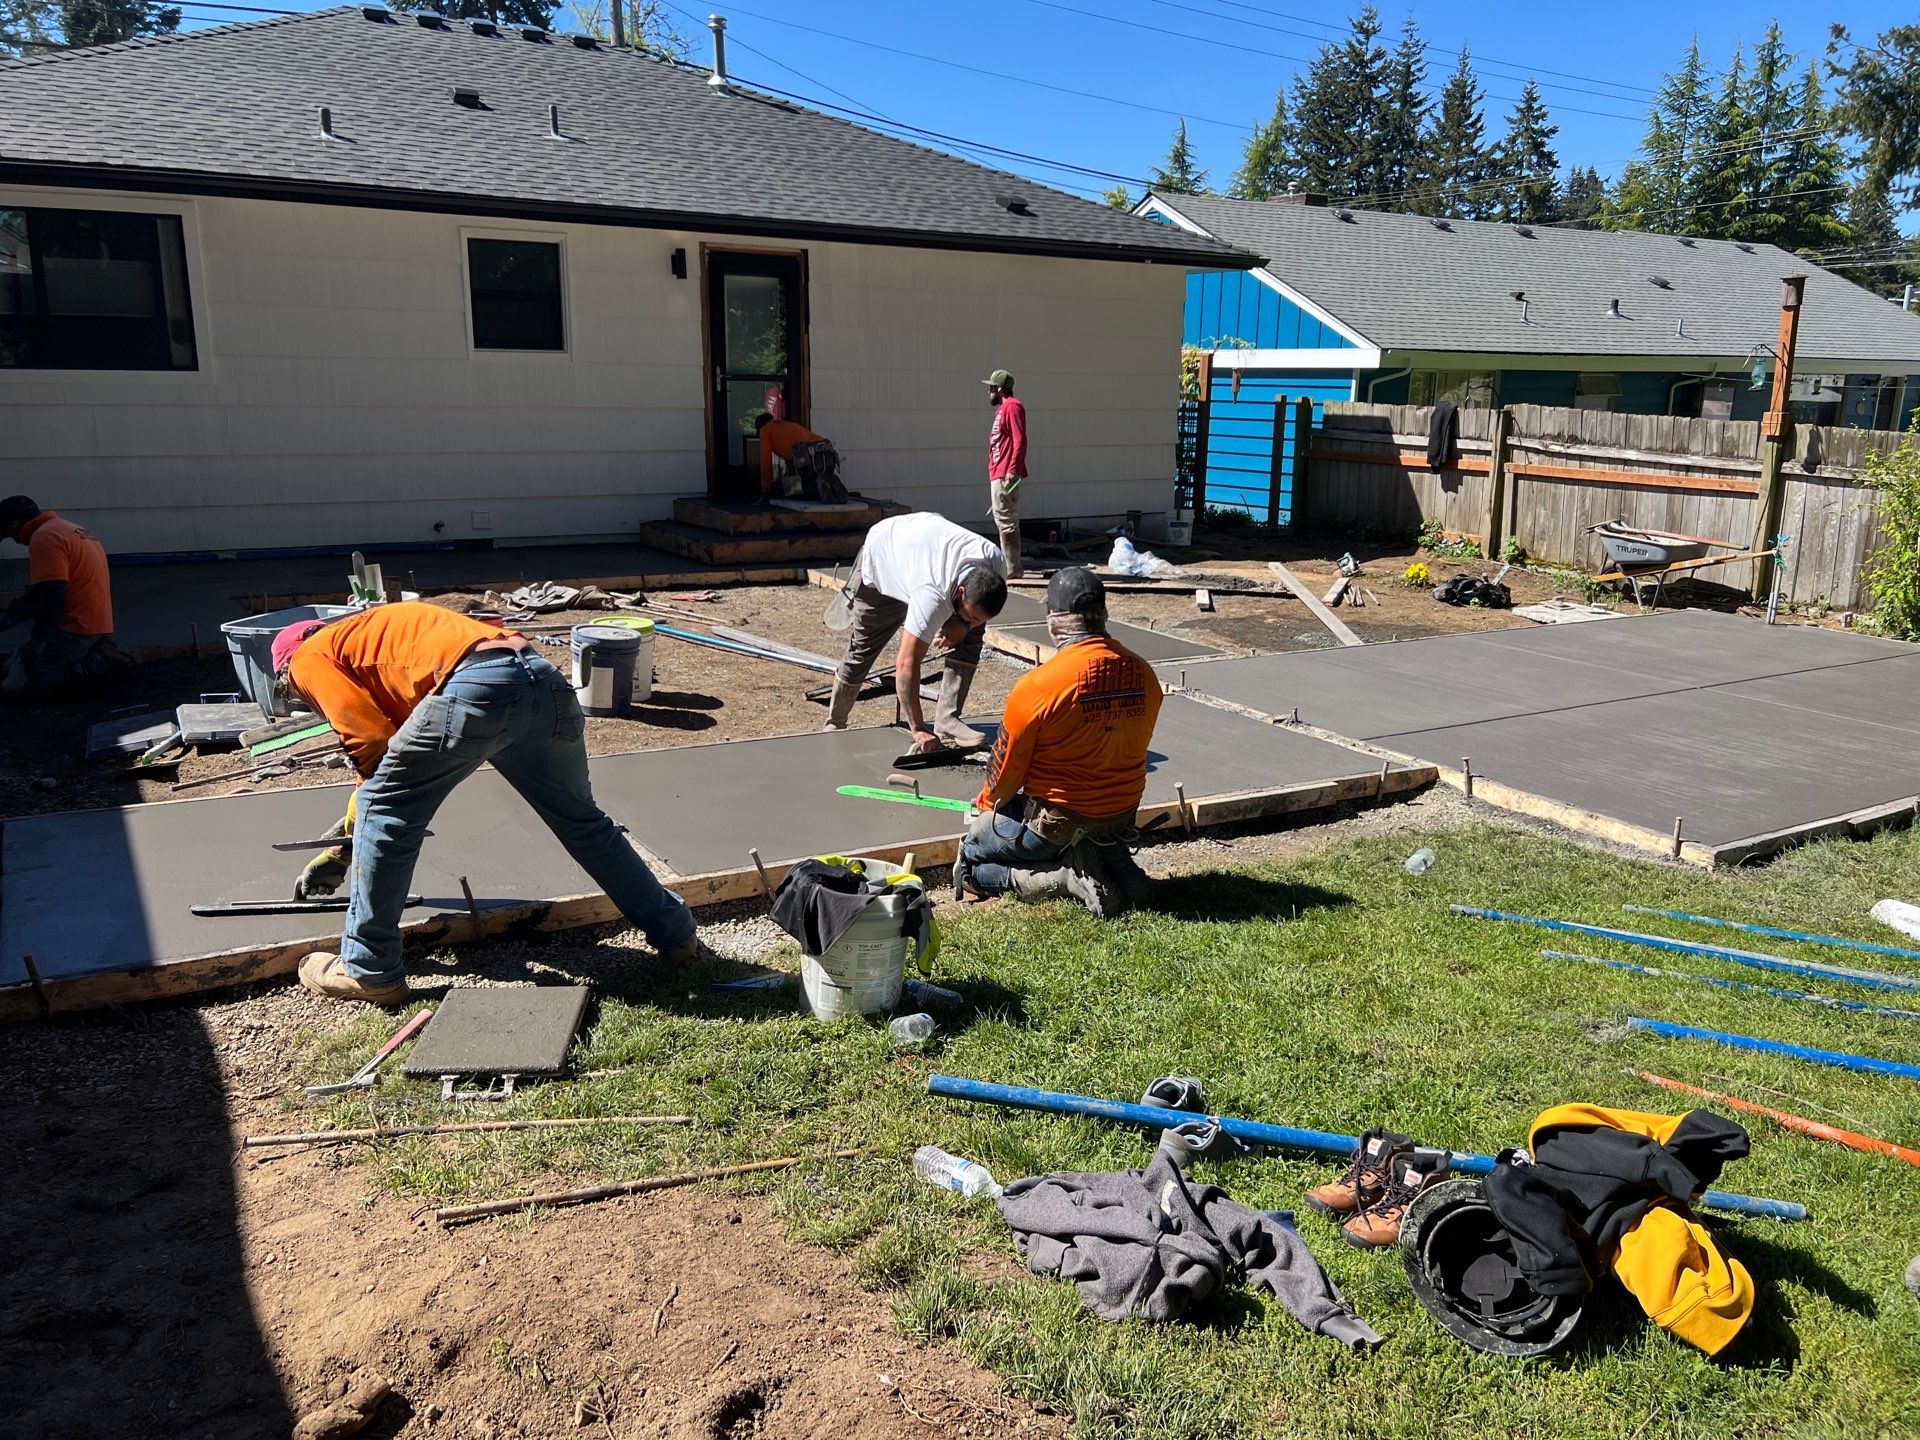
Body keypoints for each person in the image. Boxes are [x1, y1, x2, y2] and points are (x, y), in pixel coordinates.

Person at [271, 601, 697, 1005]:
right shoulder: (374, 636)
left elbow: (370, 746)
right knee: (583, 822)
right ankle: (677, 936)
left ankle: (369, 969)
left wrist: (353, 839)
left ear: (286, 668)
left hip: (478, 686)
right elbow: (390, 759)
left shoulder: (308, 657)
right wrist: (345, 841)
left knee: (387, 820)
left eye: (291, 691)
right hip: (540, 678)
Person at [954, 567, 1161, 917]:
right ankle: (1111, 861)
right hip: (1119, 817)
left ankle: (1062, 877)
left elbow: (1005, 777)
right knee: (1086, 831)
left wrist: (987, 804)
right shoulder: (1144, 673)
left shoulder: (1040, 685)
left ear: (1055, 621)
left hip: (1056, 824)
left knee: (972, 854)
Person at [824, 512, 1008, 753]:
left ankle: (947, 719)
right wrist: (918, 727)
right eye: (972, 617)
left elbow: (975, 615)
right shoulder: (932, 595)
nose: (975, 622)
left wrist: (965, 626)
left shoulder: (994, 563)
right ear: (961, 592)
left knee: (972, 638)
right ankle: (835, 723)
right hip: (883, 560)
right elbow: (906, 664)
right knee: (864, 647)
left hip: (919, 554)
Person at [0, 494, 125, 697]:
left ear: (14, 525)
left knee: (16, 687)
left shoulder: (44, 538)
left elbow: (52, 598)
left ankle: (91, 665)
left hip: (75, 628)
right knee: (8, 666)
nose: (13, 540)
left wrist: (39, 641)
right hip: (95, 623)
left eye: (7, 533)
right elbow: (42, 593)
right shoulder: (67, 528)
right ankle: (86, 653)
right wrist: (9, 617)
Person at [983, 369, 1028, 579]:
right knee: (1002, 518)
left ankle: (1012, 568)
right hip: (999, 471)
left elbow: (1020, 440)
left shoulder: (1013, 406)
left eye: (991, 388)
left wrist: (1012, 470)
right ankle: (1012, 567)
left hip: (1005, 473)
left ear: (999, 388)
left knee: (1006, 519)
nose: (989, 392)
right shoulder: (1003, 408)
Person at [756, 414, 847, 504]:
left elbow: (766, 463)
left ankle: (818, 489)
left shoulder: (765, 430)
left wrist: (766, 489)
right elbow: (791, 464)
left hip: (809, 456)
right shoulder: (785, 426)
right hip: (827, 452)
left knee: (794, 490)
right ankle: (834, 488)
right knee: (820, 483)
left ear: (759, 428)